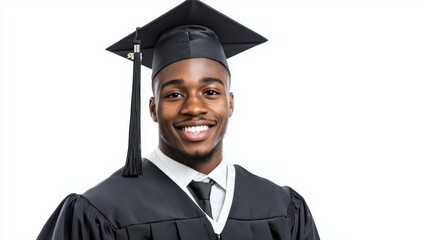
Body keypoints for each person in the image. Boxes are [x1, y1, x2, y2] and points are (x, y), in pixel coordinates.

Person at [37, 0, 320, 239]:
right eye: (174, 94)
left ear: (230, 102)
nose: (194, 107)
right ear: (152, 108)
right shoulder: (101, 212)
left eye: (210, 92)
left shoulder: (282, 209)